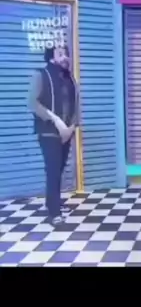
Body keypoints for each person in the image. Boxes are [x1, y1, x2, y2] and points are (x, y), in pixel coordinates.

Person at [28, 45, 80, 225]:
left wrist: (72, 126)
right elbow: (32, 103)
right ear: (51, 57)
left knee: (58, 169)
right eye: (61, 54)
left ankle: (52, 201)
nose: (66, 57)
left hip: (67, 131)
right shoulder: (41, 75)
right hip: (48, 131)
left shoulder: (70, 78)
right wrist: (55, 120)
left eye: (66, 54)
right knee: (53, 170)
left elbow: (75, 103)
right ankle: (53, 213)